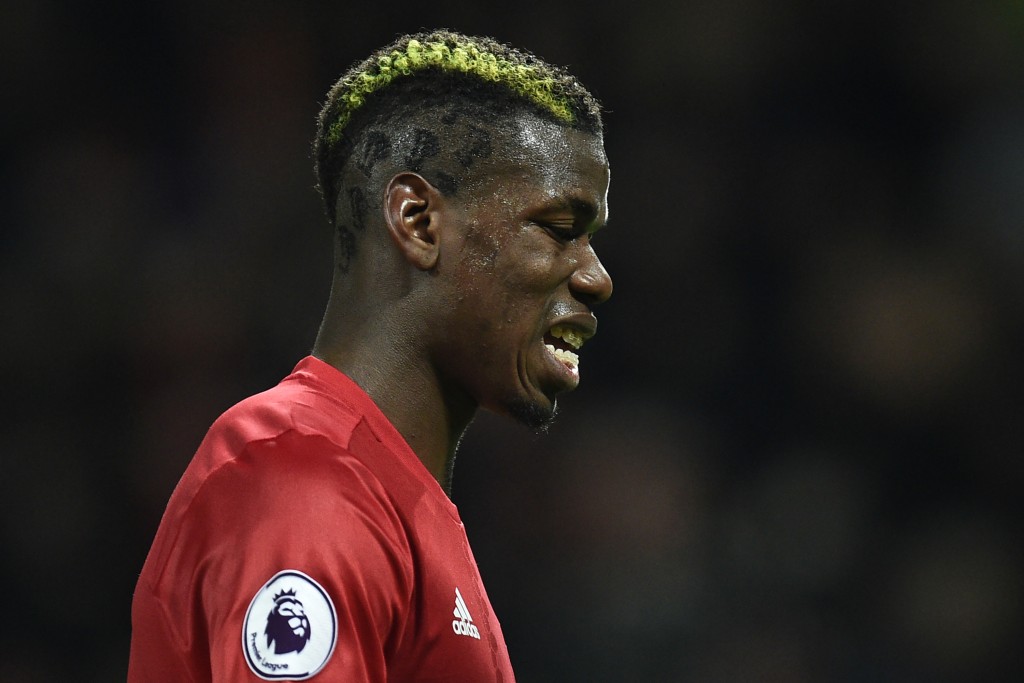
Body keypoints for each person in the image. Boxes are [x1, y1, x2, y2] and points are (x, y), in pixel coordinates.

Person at [128, 29, 613, 682]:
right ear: (418, 221)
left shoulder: (390, 500)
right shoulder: (301, 479)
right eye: (558, 229)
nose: (595, 276)